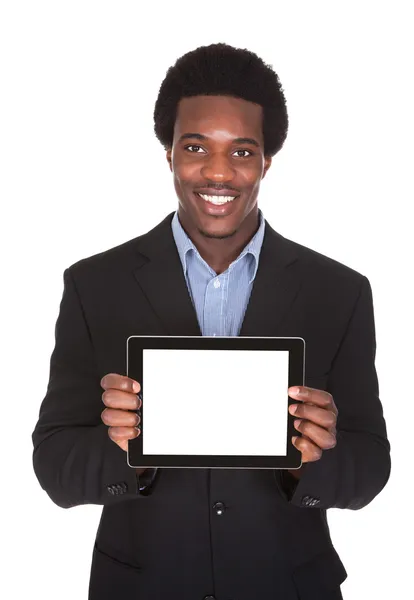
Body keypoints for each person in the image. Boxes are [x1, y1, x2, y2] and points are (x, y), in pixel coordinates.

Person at [31, 43, 391, 600]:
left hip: (289, 586)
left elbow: (370, 468)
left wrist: (312, 459)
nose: (218, 172)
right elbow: (54, 467)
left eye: (242, 151)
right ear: (169, 155)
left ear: (267, 161)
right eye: (195, 146)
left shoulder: (338, 292)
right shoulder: (93, 284)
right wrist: (122, 446)